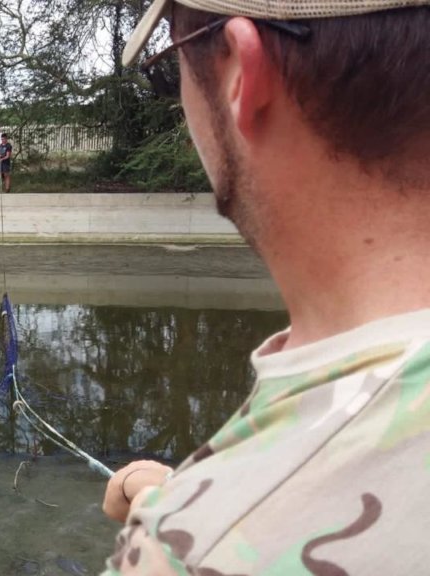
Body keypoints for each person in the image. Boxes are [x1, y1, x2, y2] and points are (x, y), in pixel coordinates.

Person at [102, 0, 430, 574]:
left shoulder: (183, 551)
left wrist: (179, 517)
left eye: (166, 66)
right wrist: (189, 493)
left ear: (239, 75)